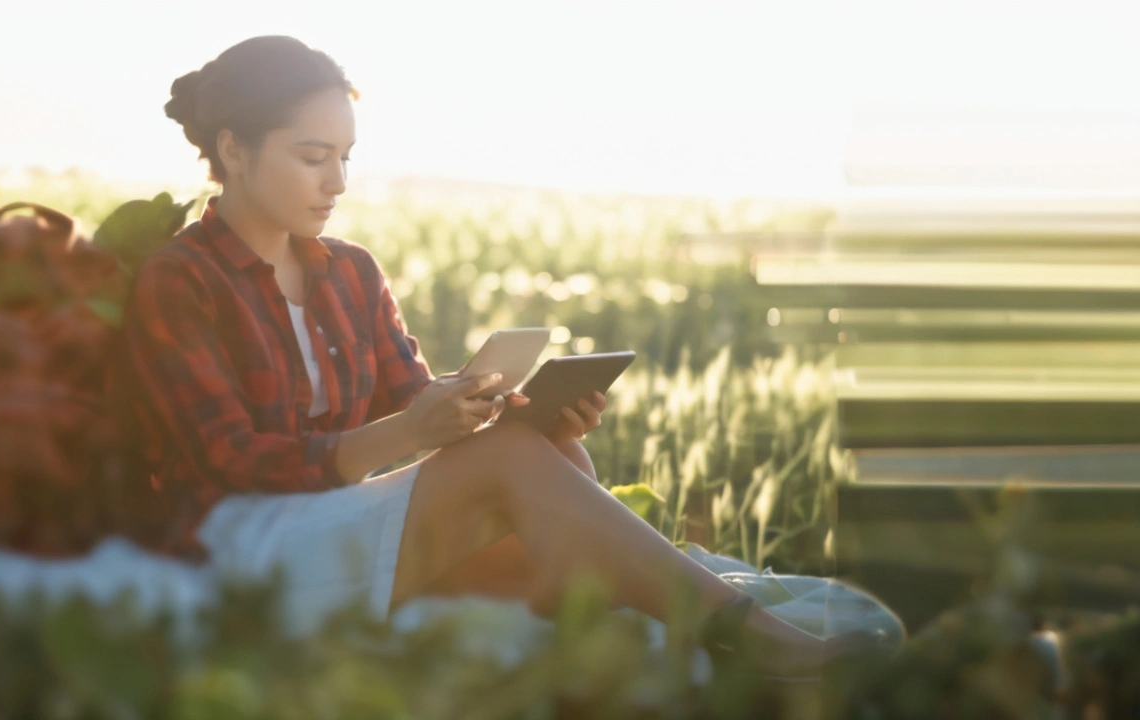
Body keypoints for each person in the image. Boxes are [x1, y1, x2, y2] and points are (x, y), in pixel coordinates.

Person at [114, 34, 854, 677]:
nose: (336, 182)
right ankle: (742, 634)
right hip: (241, 550)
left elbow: (410, 394)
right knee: (508, 466)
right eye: (312, 157)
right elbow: (231, 460)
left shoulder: (351, 272)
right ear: (234, 149)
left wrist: (496, 409)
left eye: (344, 156)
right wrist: (406, 436)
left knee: (540, 450)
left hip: (335, 520)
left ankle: (650, 623)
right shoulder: (180, 280)